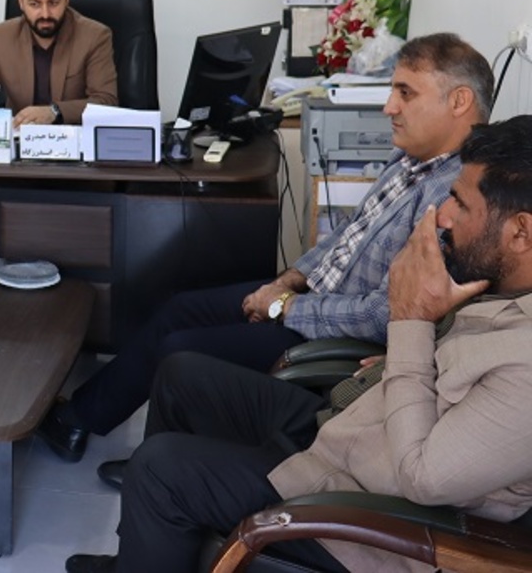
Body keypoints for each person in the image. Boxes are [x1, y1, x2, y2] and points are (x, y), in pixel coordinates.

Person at [66, 114, 532, 573]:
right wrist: (402, 359)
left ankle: (158, 536)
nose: (444, 217)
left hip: (366, 508)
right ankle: (150, 554)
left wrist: (409, 323)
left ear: (521, 233)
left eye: (461, 204)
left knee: (160, 470)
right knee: (180, 374)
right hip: (358, 426)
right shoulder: (499, 283)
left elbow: (423, 478)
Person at [38, 33, 494, 473]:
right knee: (180, 308)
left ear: (458, 102)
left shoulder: (456, 198)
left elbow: (384, 314)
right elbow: (345, 237)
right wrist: (288, 280)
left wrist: (285, 307)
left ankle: (162, 468)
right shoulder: (414, 157)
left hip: (331, 332)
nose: (388, 107)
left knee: (180, 350)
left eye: (405, 93)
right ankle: (77, 421)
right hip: (311, 296)